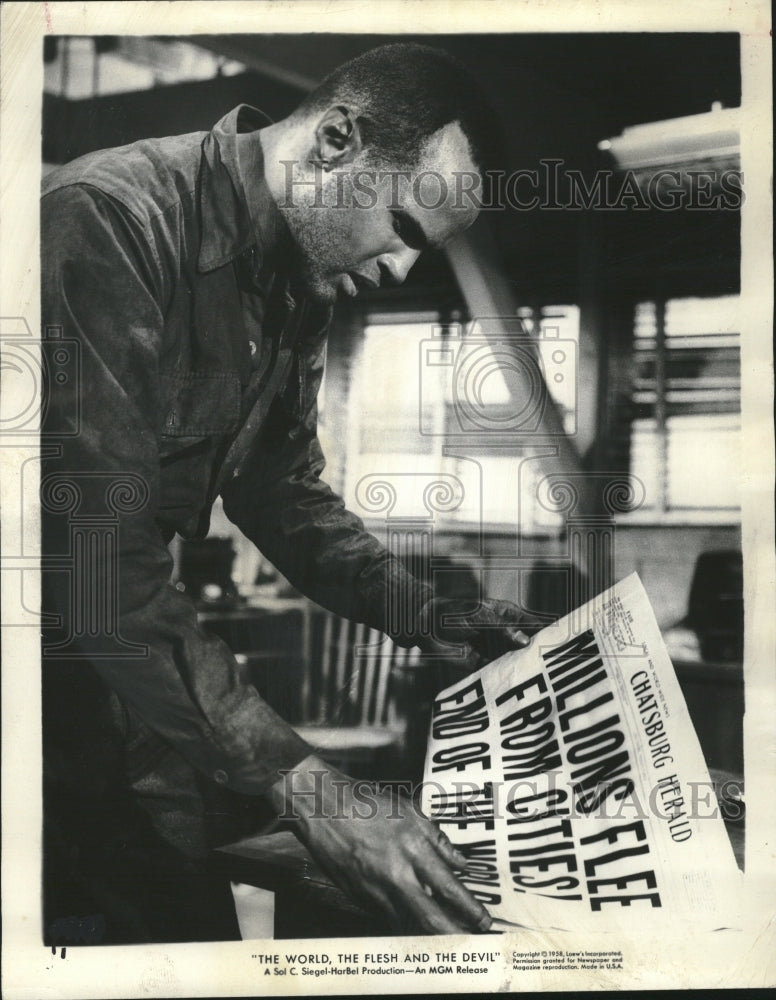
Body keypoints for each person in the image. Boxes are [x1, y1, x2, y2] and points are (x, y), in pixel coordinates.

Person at [40, 42, 529, 944]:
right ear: (337, 139)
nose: (401, 273)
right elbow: (100, 568)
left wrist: (427, 612)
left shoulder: (296, 280)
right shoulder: (108, 221)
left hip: (127, 679)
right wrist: (317, 791)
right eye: (407, 229)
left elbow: (283, 488)